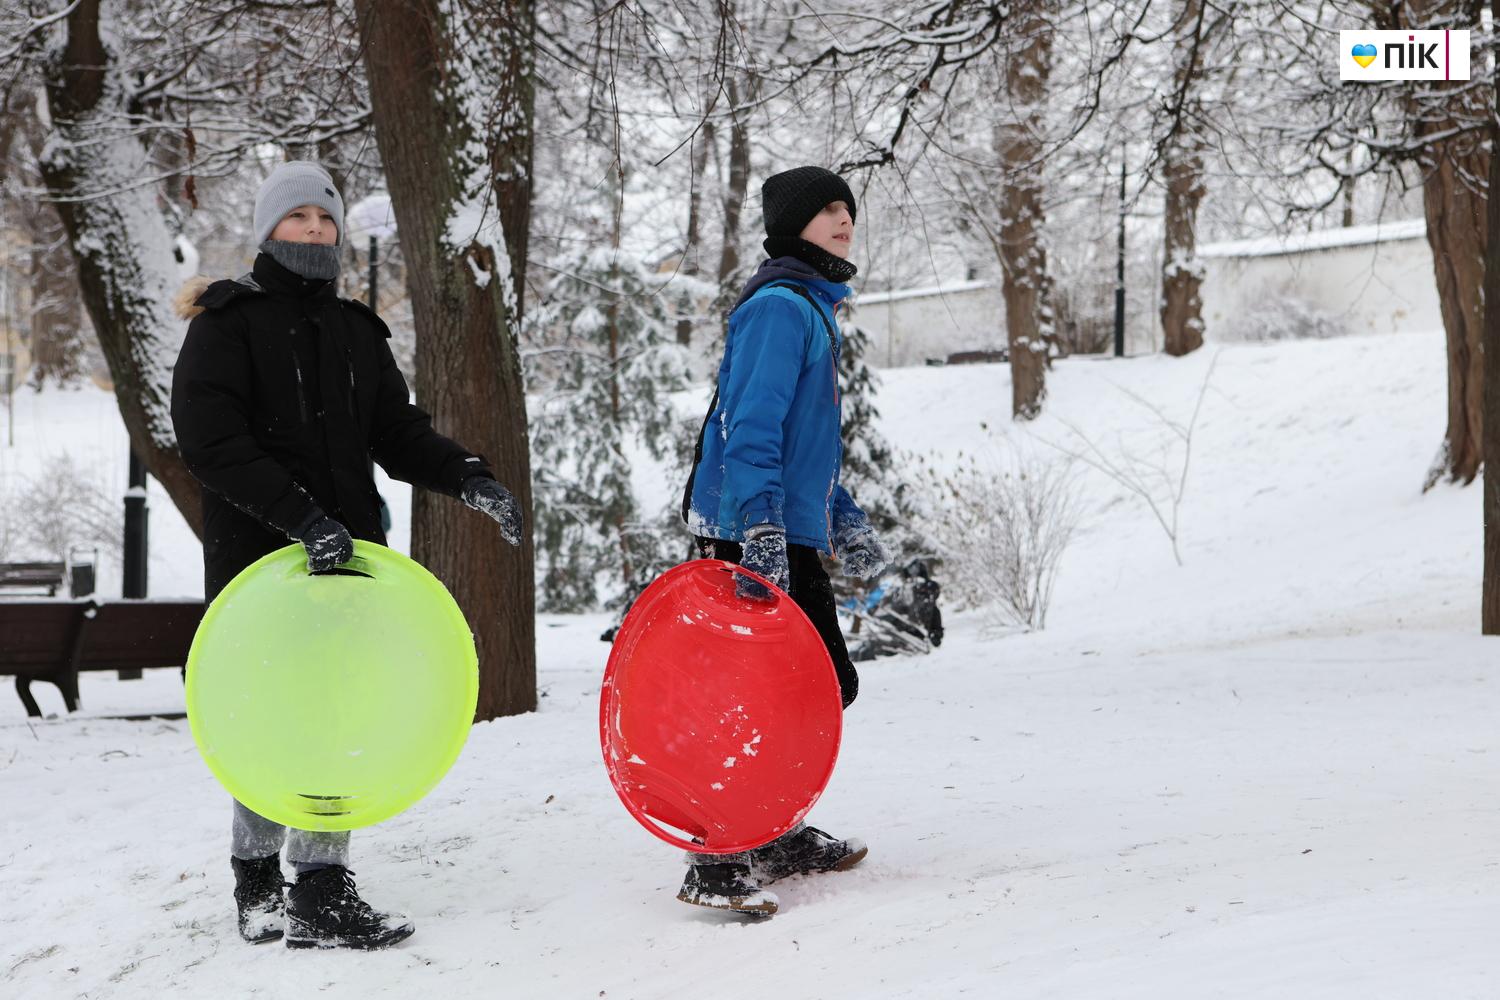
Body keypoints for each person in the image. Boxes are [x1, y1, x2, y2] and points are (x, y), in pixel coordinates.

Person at [171, 161, 523, 949]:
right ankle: (257, 880)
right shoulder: (228, 324)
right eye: (299, 217)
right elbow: (210, 442)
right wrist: (300, 519)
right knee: (269, 720)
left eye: (325, 219)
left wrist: (470, 479)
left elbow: (397, 434)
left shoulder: (356, 331)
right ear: (268, 229)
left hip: (351, 569)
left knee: (337, 715)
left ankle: (322, 888)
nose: (316, 230)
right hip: (262, 565)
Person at [679, 165, 889, 915]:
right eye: (826, 209)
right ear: (792, 224)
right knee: (750, 697)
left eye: (847, 209)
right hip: (749, 530)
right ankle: (719, 854)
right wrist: (762, 526)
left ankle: (772, 829)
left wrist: (844, 517)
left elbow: (808, 449)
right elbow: (751, 428)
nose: (842, 220)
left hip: (781, 527)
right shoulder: (779, 307)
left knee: (818, 687)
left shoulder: (811, 307)